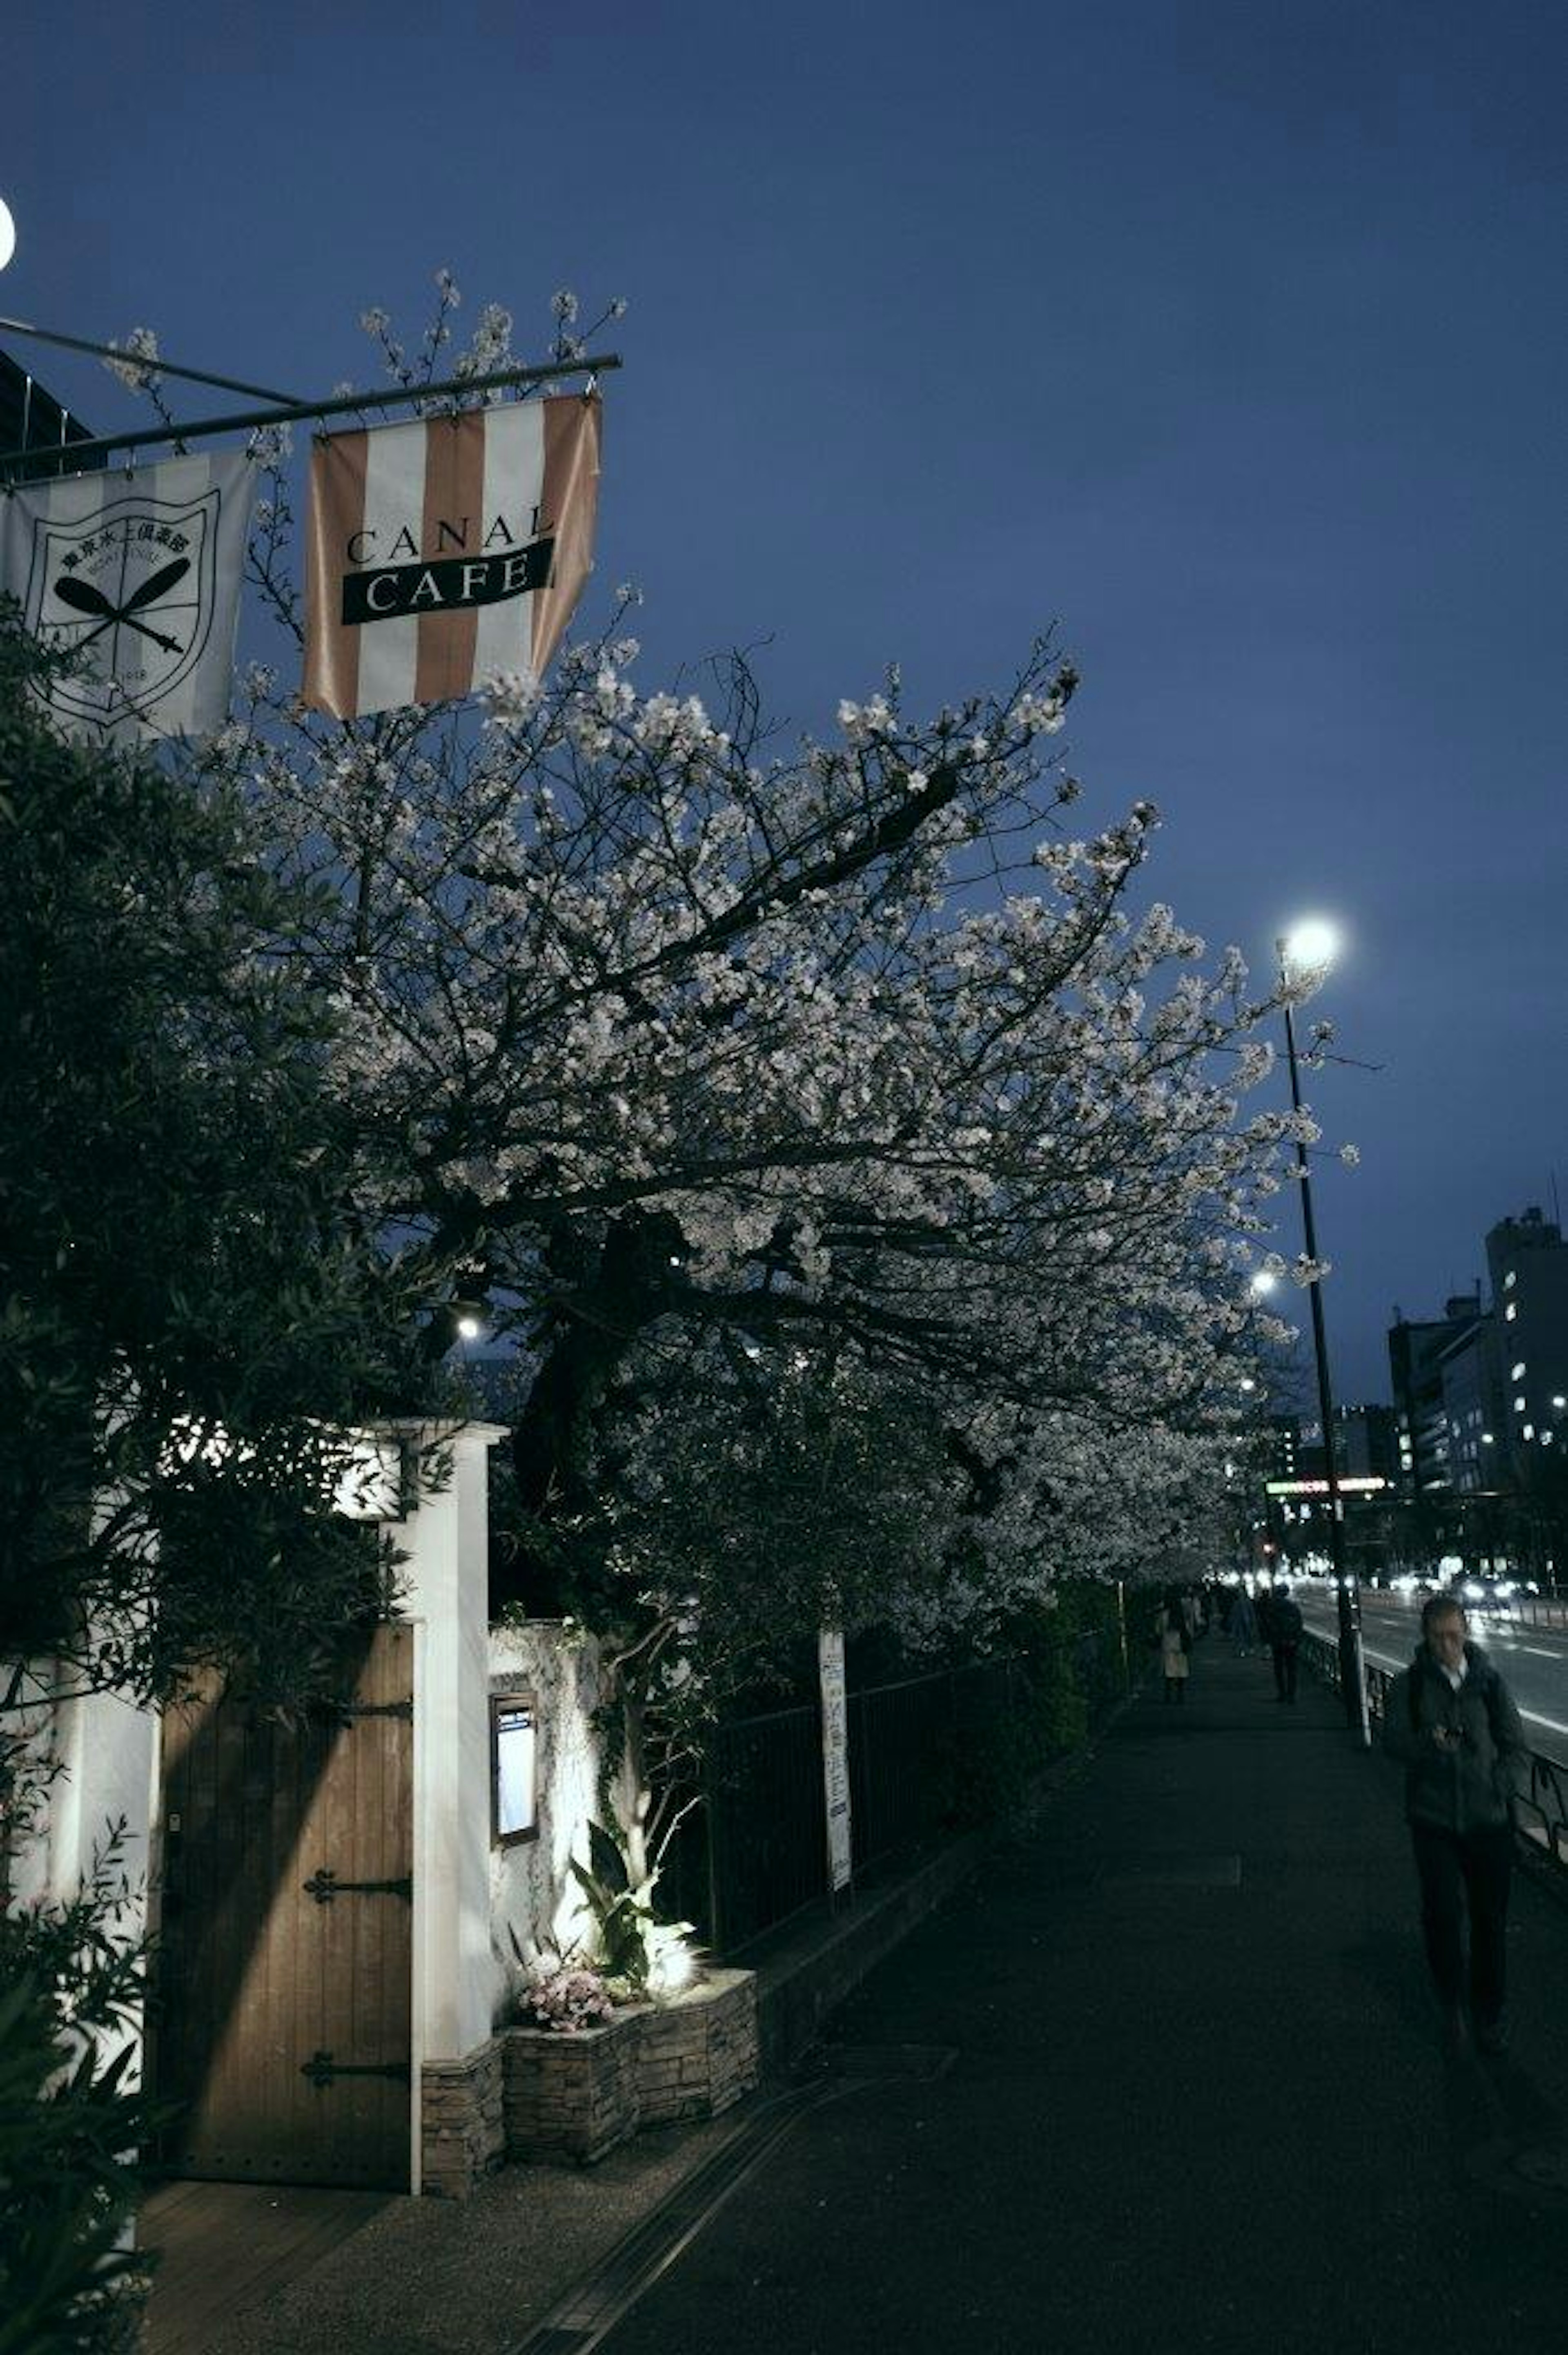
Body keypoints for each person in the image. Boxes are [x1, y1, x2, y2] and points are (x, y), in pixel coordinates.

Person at [1383, 1593, 1526, 2056]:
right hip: (1434, 1821)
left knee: (1490, 1921)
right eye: (1439, 1637)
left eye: (1455, 1635)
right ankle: (1452, 2006)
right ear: (1425, 1637)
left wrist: (1500, 1784)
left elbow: (1515, 1745)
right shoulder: (1409, 1686)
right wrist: (1429, 1743)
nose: (1449, 1644)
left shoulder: (1489, 1683)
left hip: (1488, 1821)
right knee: (1443, 1917)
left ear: (1466, 1632)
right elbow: (1394, 1742)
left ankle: (1490, 2012)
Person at [1268, 1581, 1304, 1701]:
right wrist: (1297, 1640)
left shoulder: (1273, 1607)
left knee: (1279, 1669)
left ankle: (1282, 1693)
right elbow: (1299, 1625)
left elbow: (1270, 1625)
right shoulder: (1293, 1607)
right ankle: (1292, 1694)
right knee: (1291, 1669)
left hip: (1278, 1642)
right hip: (1292, 1642)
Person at [1158, 1597, 1191, 1704]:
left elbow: (1158, 1629)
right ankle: (1180, 1695)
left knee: (1169, 1672)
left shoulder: (1164, 1615)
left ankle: (1168, 1695)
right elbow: (1188, 1629)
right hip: (1180, 1646)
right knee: (1181, 1671)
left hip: (1168, 1646)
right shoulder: (1182, 1615)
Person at [1229, 1581, 1258, 1659]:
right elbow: (1234, 1613)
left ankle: (1247, 1650)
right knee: (1242, 1637)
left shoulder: (1246, 1602)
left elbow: (1251, 1613)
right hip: (1241, 1622)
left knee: (1247, 1636)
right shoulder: (1239, 1603)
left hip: (1246, 1621)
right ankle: (1243, 1650)